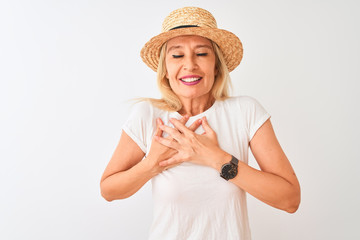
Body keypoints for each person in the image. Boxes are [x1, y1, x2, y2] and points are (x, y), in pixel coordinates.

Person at [100, 6, 301, 240]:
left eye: (202, 53)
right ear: (165, 69)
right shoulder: (147, 115)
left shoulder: (245, 111)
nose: (190, 65)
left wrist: (216, 158)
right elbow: (108, 191)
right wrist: (153, 163)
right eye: (177, 55)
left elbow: (290, 200)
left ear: (216, 65)